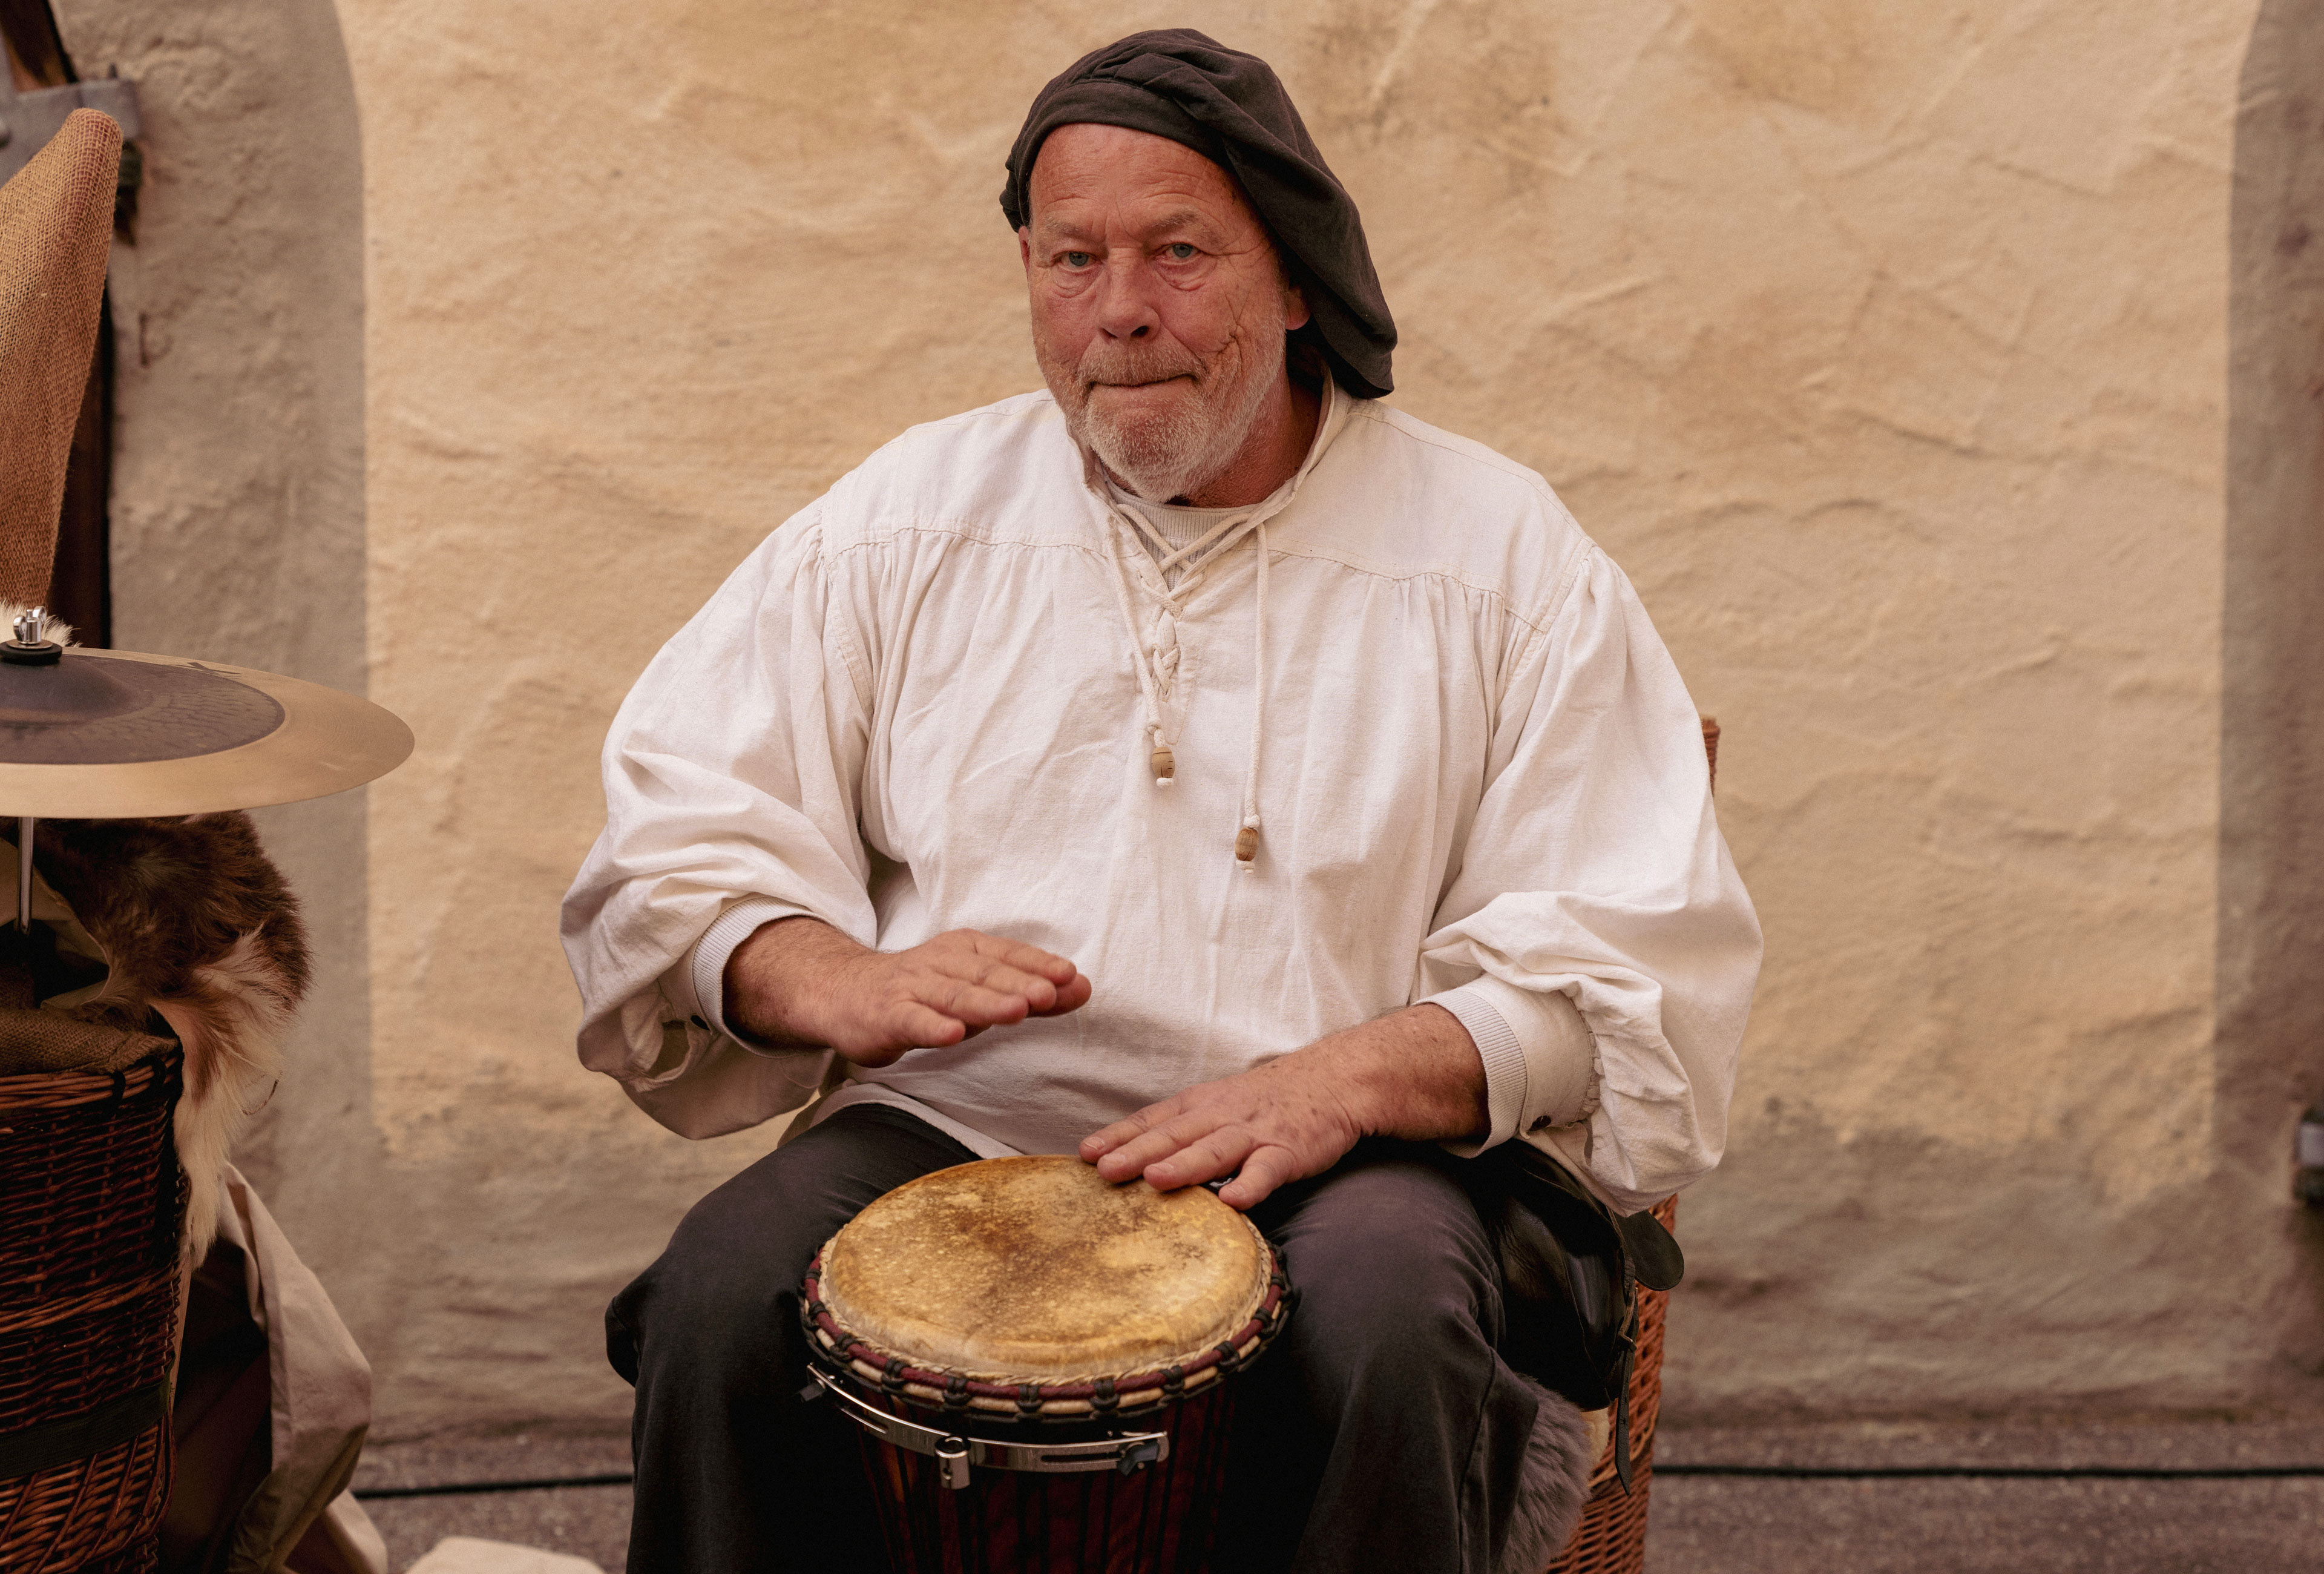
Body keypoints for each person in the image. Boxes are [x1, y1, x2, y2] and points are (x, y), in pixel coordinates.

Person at [561, 28, 1760, 1574]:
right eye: (1073, 259)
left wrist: (1343, 1081)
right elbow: (676, 834)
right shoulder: (905, 522)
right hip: (962, 1130)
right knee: (729, 1289)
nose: (1119, 310)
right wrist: (832, 978)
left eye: (1179, 252)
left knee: (1393, 1322)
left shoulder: (1497, 558)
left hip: (1357, 1159)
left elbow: (1627, 957)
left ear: (1296, 277)